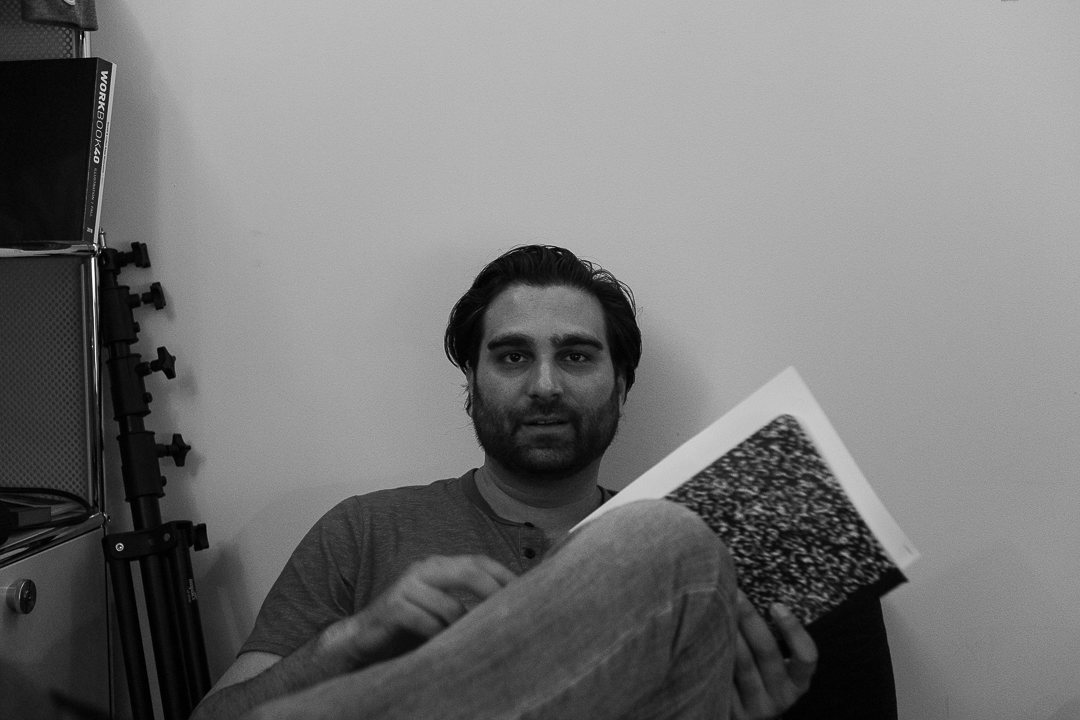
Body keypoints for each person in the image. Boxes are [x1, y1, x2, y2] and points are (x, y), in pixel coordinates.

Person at [192, 245, 894, 719]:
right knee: (671, 537)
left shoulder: (679, 563)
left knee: (705, 543)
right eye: (512, 357)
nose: (546, 385)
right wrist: (353, 641)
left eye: (577, 356)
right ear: (472, 385)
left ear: (622, 385)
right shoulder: (365, 530)